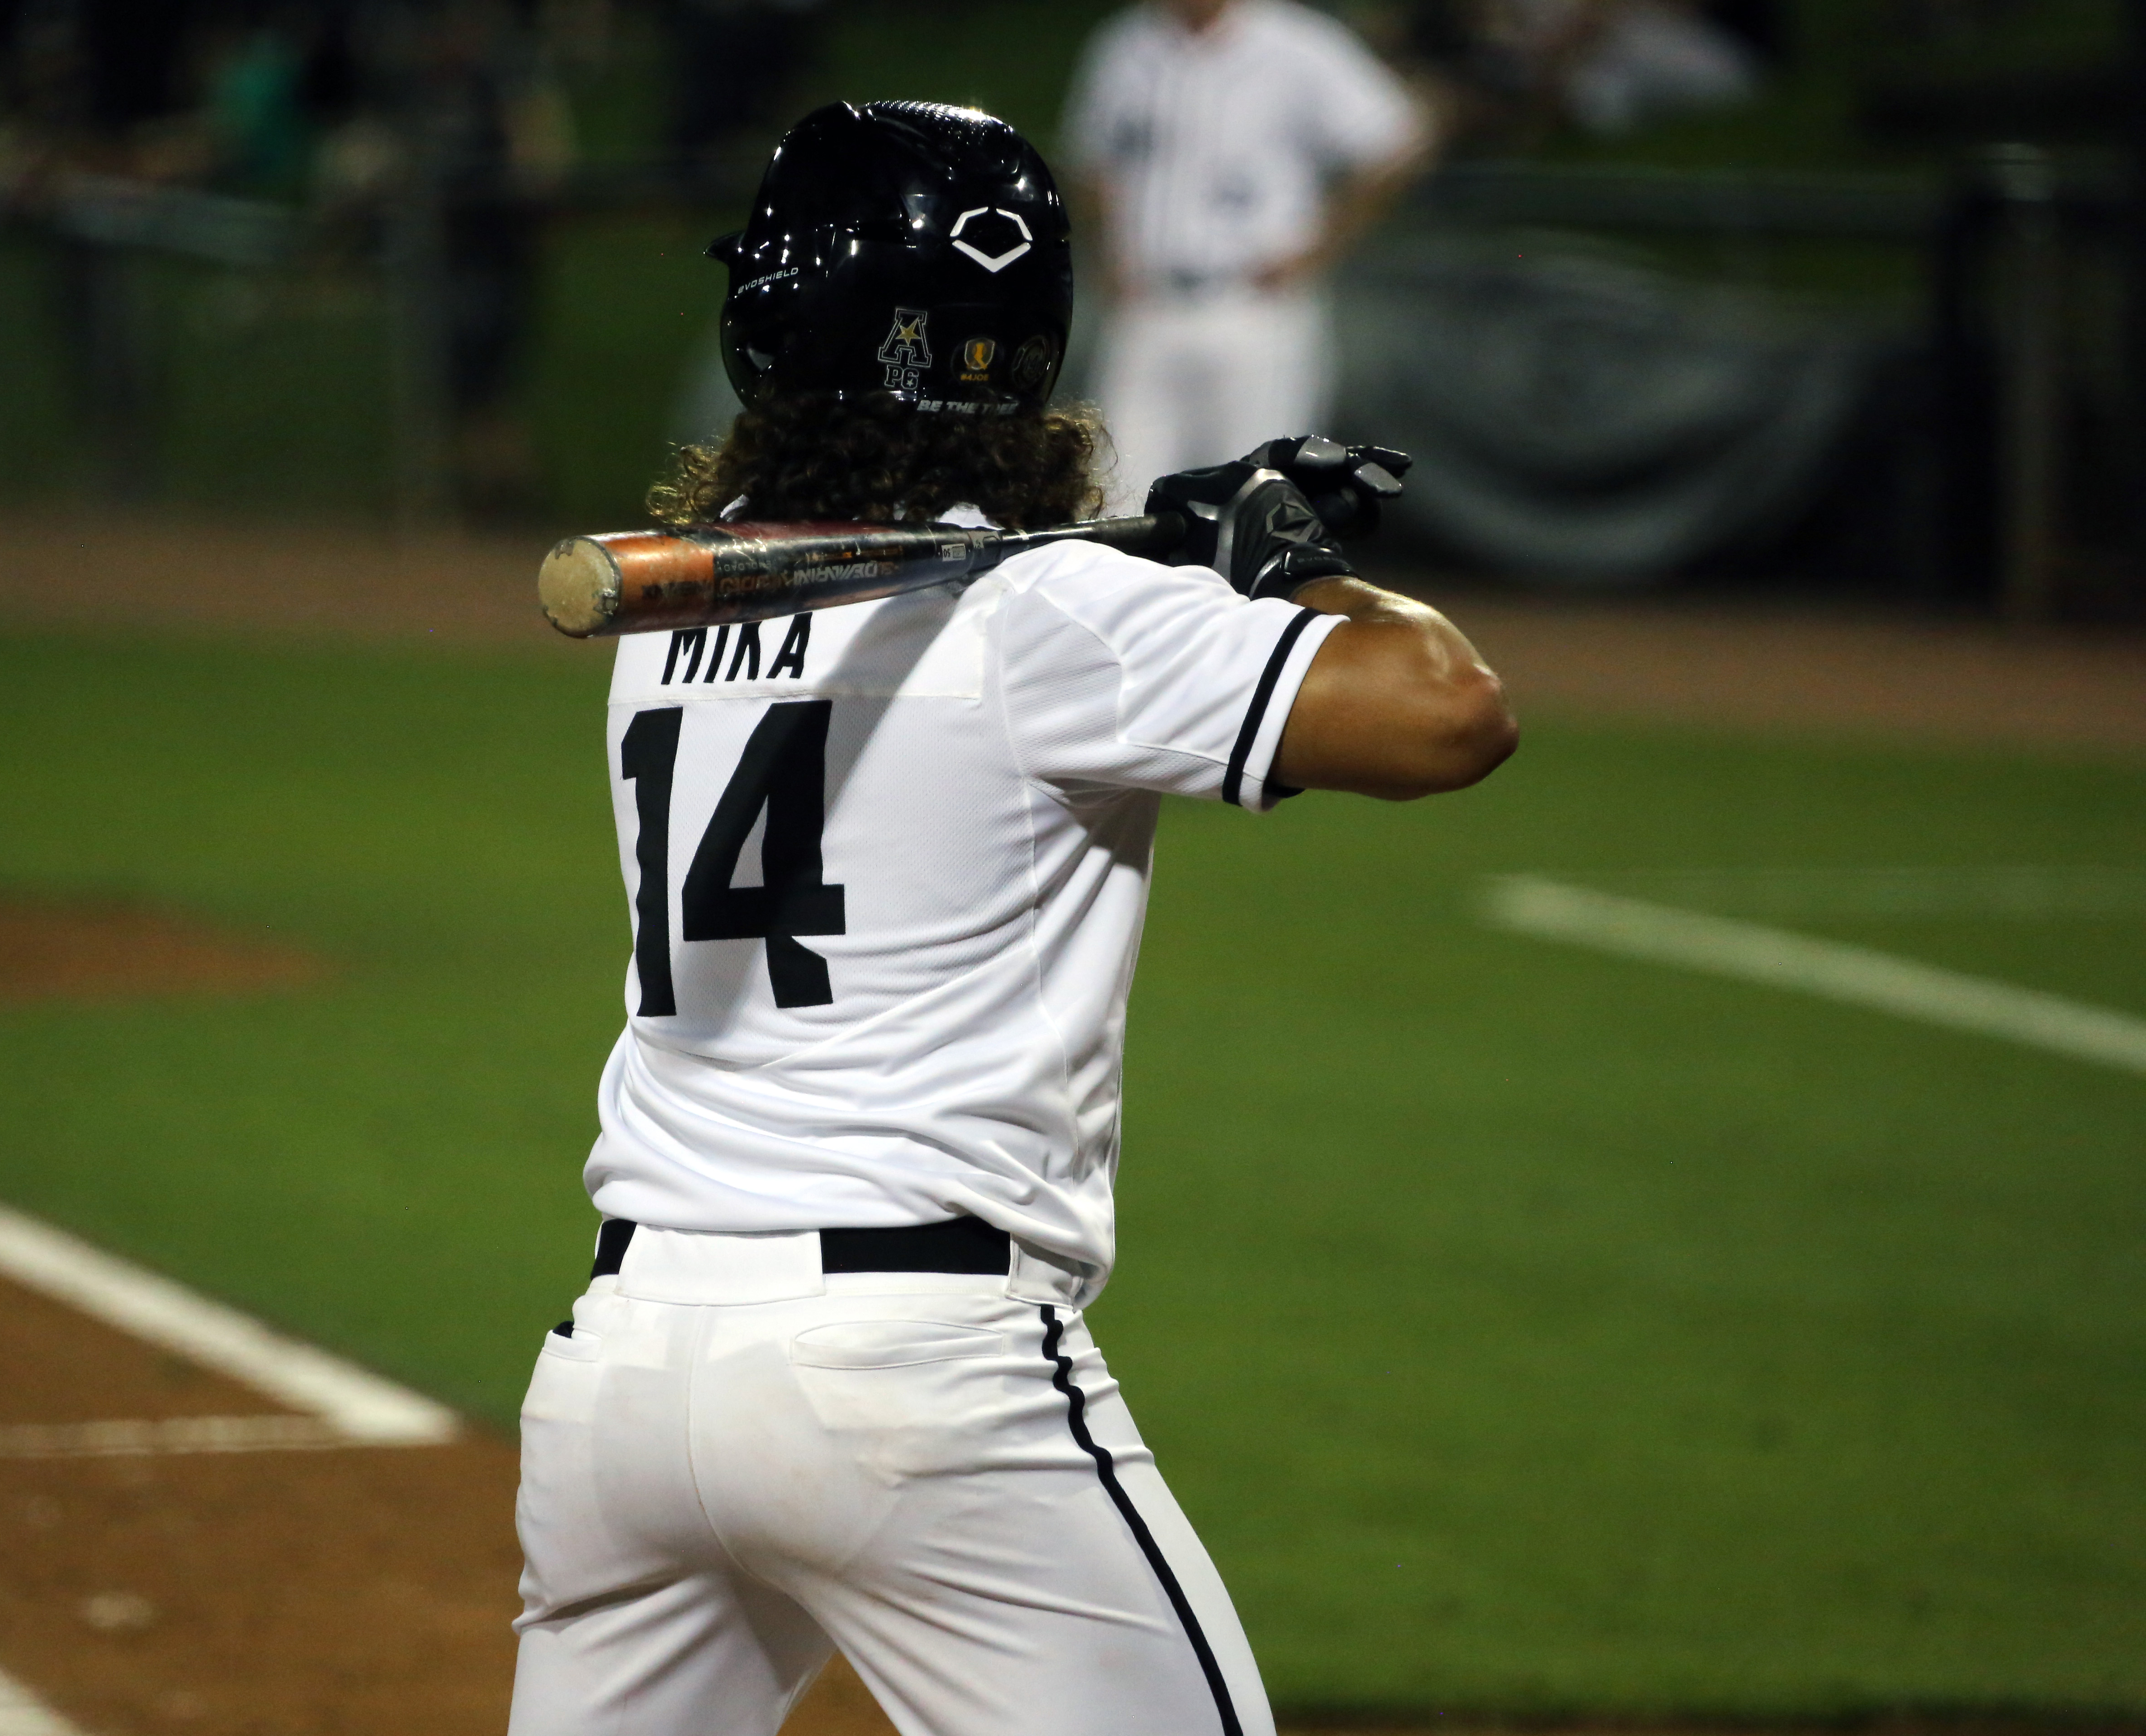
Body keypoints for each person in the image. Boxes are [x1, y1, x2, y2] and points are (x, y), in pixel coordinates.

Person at [507, 99, 1515, 1736]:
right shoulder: (1055, 611)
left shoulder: (676, 621)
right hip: (913, 1387)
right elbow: (1449, 712)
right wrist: (1281, 556)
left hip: (619, 1377)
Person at [1064, 0, 1431, 510]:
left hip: (1254, 305)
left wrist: (1320, 246)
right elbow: (1091, 160)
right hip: (1147, 305)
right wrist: (1108, 254)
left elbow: (1396, 139)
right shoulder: (1126, 43)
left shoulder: (1297, 42)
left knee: (1255, 498)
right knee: (1115, 495)